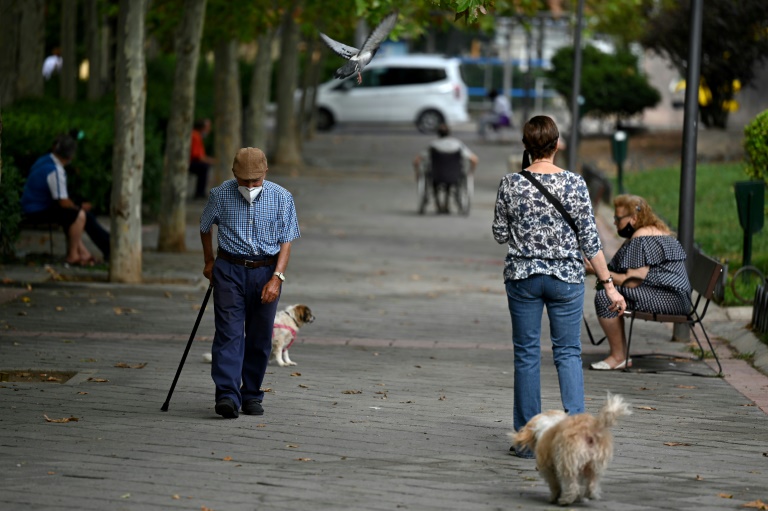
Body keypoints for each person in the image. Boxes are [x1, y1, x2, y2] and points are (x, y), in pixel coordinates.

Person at [492, 115, 625, 458]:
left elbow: (500, 235)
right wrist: (609, 285)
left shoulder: (510, 183)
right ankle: (577, 439)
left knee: (526, 354)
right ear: (556, 145)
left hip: (523, 277)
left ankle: (527, 442)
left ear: (526, 145)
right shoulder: (576, 183)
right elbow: (591, 242)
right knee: (568, 353)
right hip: (566, 279)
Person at [200, 147, 300, 419]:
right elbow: (205, 226)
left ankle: (251, 394)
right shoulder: (220, 194)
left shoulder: (282, 197)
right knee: (229, 335)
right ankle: (227, 395)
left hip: (266, 271)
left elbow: (286, 241)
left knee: (259, 338)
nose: (250, 186)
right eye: (244, 181)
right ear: (234, 174)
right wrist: (209, 261)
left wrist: (277, 279)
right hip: (229, 269)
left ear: (265, 173)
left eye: (255, 181)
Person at [584, 194, 692, 370]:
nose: (615, 223)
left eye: (618, 218)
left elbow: (632, 281)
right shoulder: (655, 231)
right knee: (611, 293)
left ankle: (618, 357)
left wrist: (598, 272)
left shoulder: (642, 237)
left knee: (607, 298)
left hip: (668, 299)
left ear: (634, 218)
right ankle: (619, 354)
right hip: (677, 298)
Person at [20, 133, 111, 265]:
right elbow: (63, 202)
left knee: (80, 215)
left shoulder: (44, 160)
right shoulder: (55, 170)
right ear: (71, 156)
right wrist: (78, 207)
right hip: (36, 210)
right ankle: (74, 255)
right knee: (79, 216)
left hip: (31, 206)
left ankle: (86, 253)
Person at [413, 123, 478, 214]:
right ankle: (446, 205)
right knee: (451, 181)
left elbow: (416, 160)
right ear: (449, 133)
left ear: (438, 134)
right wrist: (471, 172)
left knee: (433, 180)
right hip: (455, 175)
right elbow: (474, 160)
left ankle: (439, 204)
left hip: (436, 174)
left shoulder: (433, 145)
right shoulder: (458, 145)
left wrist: (417, 173)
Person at [189, 119, 215, 199]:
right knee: (204, 167)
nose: (209, 130)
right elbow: (197, 155)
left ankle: (200, 192)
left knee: (205, 166)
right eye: (207, 128)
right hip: (191, 162)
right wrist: (210, 160)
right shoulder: (195, 136)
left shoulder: (197, 136)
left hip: (192, 161)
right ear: (202, 128)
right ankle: (200, 193)